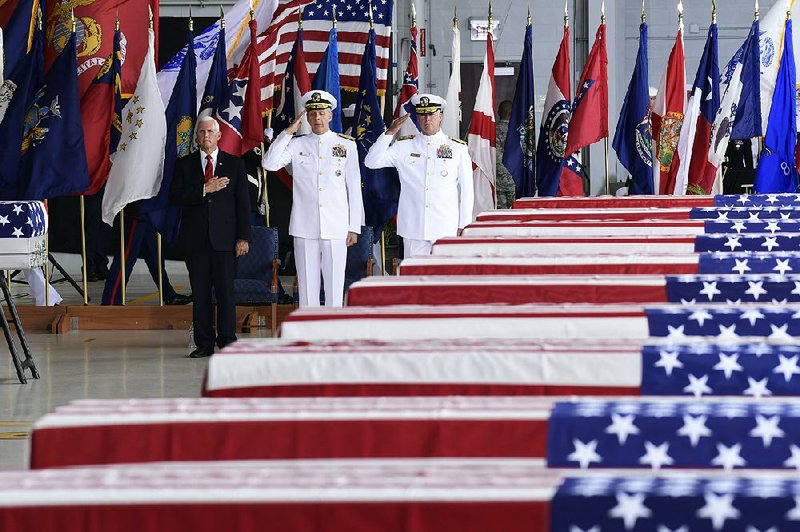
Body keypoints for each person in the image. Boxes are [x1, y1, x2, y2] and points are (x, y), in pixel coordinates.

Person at [262, 90, 363, 308]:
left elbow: (354, 188)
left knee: (335, 285)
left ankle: (332, 331)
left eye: (321, 113)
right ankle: (309, 331)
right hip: (304, 226)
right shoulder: (297, 144)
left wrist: (354, 226)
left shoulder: (346, 145)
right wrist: (287, 132)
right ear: (306, 117)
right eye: (312, 113)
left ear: (330, 116)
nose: (317, 118)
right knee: (307, 287)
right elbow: (269, 164)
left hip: (336, 225)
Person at [170, 116, 250, 358]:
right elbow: (175, 197)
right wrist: (205, 189)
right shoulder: (184, 165)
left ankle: (227, 341)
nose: (205, 136)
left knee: (226, 293)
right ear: (196, 137)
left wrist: (243, 237)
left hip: (226, 241)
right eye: (201, 132)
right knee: (201, 294)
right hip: (196, 242)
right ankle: (203, 344)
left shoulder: (235, 165)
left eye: (210, 132)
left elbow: (243, 205)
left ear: (218, 136)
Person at [364, 93, 473, 258]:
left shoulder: (457, 148)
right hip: (414, 227)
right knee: (413, 279)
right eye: (422, 114)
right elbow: (371, 162)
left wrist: (464, 225)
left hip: (445, 226)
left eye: (431, 113)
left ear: (441, 116)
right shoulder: (404, 146)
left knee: (445, 278)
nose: (427, 118)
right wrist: (390, 132)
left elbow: (466, 191)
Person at [495, 100, 516, 209]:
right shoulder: (518, 132)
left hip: (499, 182)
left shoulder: (492, 132)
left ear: (498, 113)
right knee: (517, 216)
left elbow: (494, 158)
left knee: (501, 217)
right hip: (515, 181)